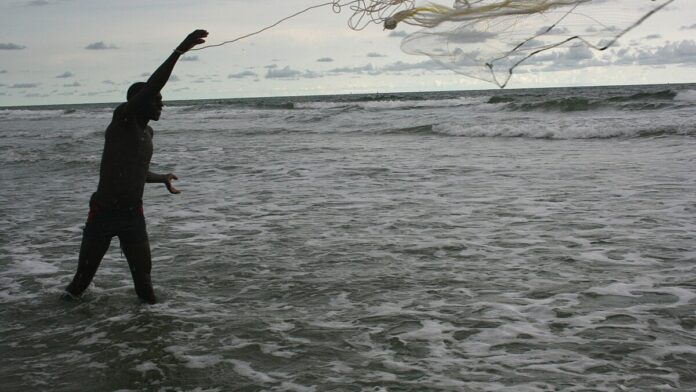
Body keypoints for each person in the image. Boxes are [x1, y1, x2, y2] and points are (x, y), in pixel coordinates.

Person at [64, 30, 209, 304]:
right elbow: (152, 86)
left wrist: (161, 178)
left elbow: (136, 173)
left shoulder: (148, 135)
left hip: (133, 216)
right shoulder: (122, 120)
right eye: (156, 99)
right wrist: (179, 51)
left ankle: (151, 335)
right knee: (80, 284)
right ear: (140, 102)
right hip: (103, 213)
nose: (162, 104)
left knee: (145, 287)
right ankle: (56, 326)